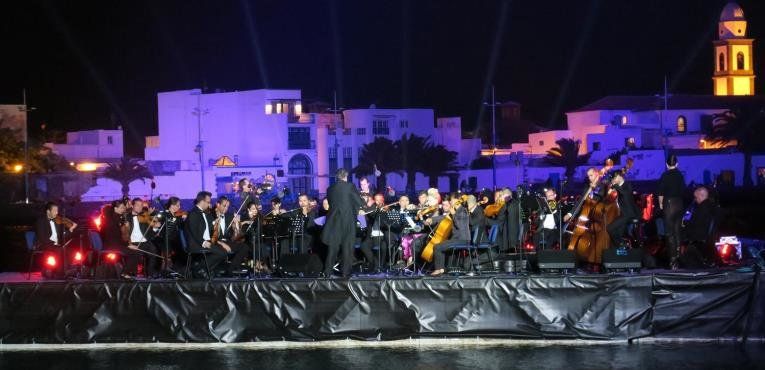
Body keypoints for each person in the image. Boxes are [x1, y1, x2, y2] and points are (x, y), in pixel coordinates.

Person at [321, 168, 365, 277]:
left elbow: (333, 203)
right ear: (346, 176)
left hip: (333, 221)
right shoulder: (350, 186)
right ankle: (345, 273)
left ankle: (327, 272)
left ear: (336, 177)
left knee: (333, 248)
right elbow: (359, 202)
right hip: (347, 220)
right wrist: (362, 199)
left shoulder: (330, 189)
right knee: (347, 247)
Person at [430, 194, 484, 276]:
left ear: (456, 200)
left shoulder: (463, 211)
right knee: (440, 246)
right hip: (457, 239)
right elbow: (444, 217)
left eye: (451, 200)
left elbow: (460, 226)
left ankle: (439, 269)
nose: (450, 202)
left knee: (437, 247)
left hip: (462, 240)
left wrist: (454, 214)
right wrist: (432, 220)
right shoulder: (457, 211)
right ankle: (441, 269)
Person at [184, 191, 233, 278]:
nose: (209, 204)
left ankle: (205, 270)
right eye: (208, 202)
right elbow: (194, 232)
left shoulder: (205, 213)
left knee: (224, 252)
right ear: (202, 201)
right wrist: (204, 242)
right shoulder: (194, 213)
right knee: (221, 253)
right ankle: (197, 269)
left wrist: (215, 223)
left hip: (206, 241)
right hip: (196, 243)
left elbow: (208, 229)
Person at [34, 202, 77, 277]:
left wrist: (70, 230)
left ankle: (66, 269)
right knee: (60, 250)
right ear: (48, 211)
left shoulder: (57, 220)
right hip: (44, 244)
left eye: (57, 211)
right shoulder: (41, 221)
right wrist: (54, 243)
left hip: (56, 244)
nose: (57, 213)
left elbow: (64, 232)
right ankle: (60, 272)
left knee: (71, 250)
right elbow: (42, 237)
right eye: (54, 211)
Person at [657, 154, 686, 269]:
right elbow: (683, 190)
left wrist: (660, 205)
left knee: (669, 233)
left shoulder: (665, 175)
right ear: (677, 164)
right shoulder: (680, 175)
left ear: (666, 164)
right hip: (679, 203)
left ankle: (673, 261)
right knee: (677, 230)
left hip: (669, 204)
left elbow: (660, 192)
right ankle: (679, 257)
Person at [123, 198, 160, 280]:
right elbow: (123, 233)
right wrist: (128, 244)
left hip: (144, 242)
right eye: (138, 205)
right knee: (136, 253)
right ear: (132, 205)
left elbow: (150, 233)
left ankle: (150, 274)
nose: (140, 207)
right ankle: (129, 273)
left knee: (153, 250)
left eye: (141, 205)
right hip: (132, 243)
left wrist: (155, 228)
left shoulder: (144, 217)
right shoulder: (126, 217)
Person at [212, 196, 250, 275]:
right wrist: (222, 243)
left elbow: (235, 236)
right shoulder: (211, 215)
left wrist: (236, 226)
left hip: (226, 241)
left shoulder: (229, 216)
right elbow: (211, 236)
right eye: (224, 206)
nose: (226, 208)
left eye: (227, 207)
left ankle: (230, 270)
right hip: (215, 242)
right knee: (223, 249)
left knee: (244, 247)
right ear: (217, 204)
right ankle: (217, 269)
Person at [606, 171, 638, 248]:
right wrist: (610, 188)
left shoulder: (627, 185)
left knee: (609, 228)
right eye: (613, 178)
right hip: (623, 214)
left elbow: (625, 194)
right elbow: (609, 195)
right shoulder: (618, 187)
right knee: (617, 233)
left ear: (620, 176)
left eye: (615, 178)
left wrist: (615, 186)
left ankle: (622, 243)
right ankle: (622, 248)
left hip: (629, 214)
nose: (614, 180)